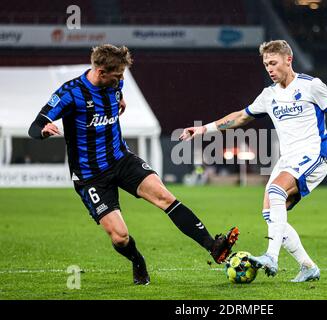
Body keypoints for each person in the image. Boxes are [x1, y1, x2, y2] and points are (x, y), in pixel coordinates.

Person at [28, 44, 239, 285]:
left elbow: (117, 92)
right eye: (117, 75)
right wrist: (44, 130)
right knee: (119, 237)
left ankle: (212, 245)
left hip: (121, 159)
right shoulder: (70, 93)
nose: (121, 79)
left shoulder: (115, 83)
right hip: (90, 176)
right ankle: (138, 261)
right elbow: (35, 125)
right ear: (99, 71)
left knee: (165, 197)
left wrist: (122, 99)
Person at [180, 40, 327, 282]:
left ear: (288, 60)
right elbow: (240, 117)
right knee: (270, 213)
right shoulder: (269, 95)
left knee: (275, 190)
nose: (269, 69)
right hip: (287, 159)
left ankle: (271, 256)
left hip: (313, 155)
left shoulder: (311, 85)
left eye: (273, 63)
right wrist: (202, 130)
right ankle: (308, 266)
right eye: (265, 65)